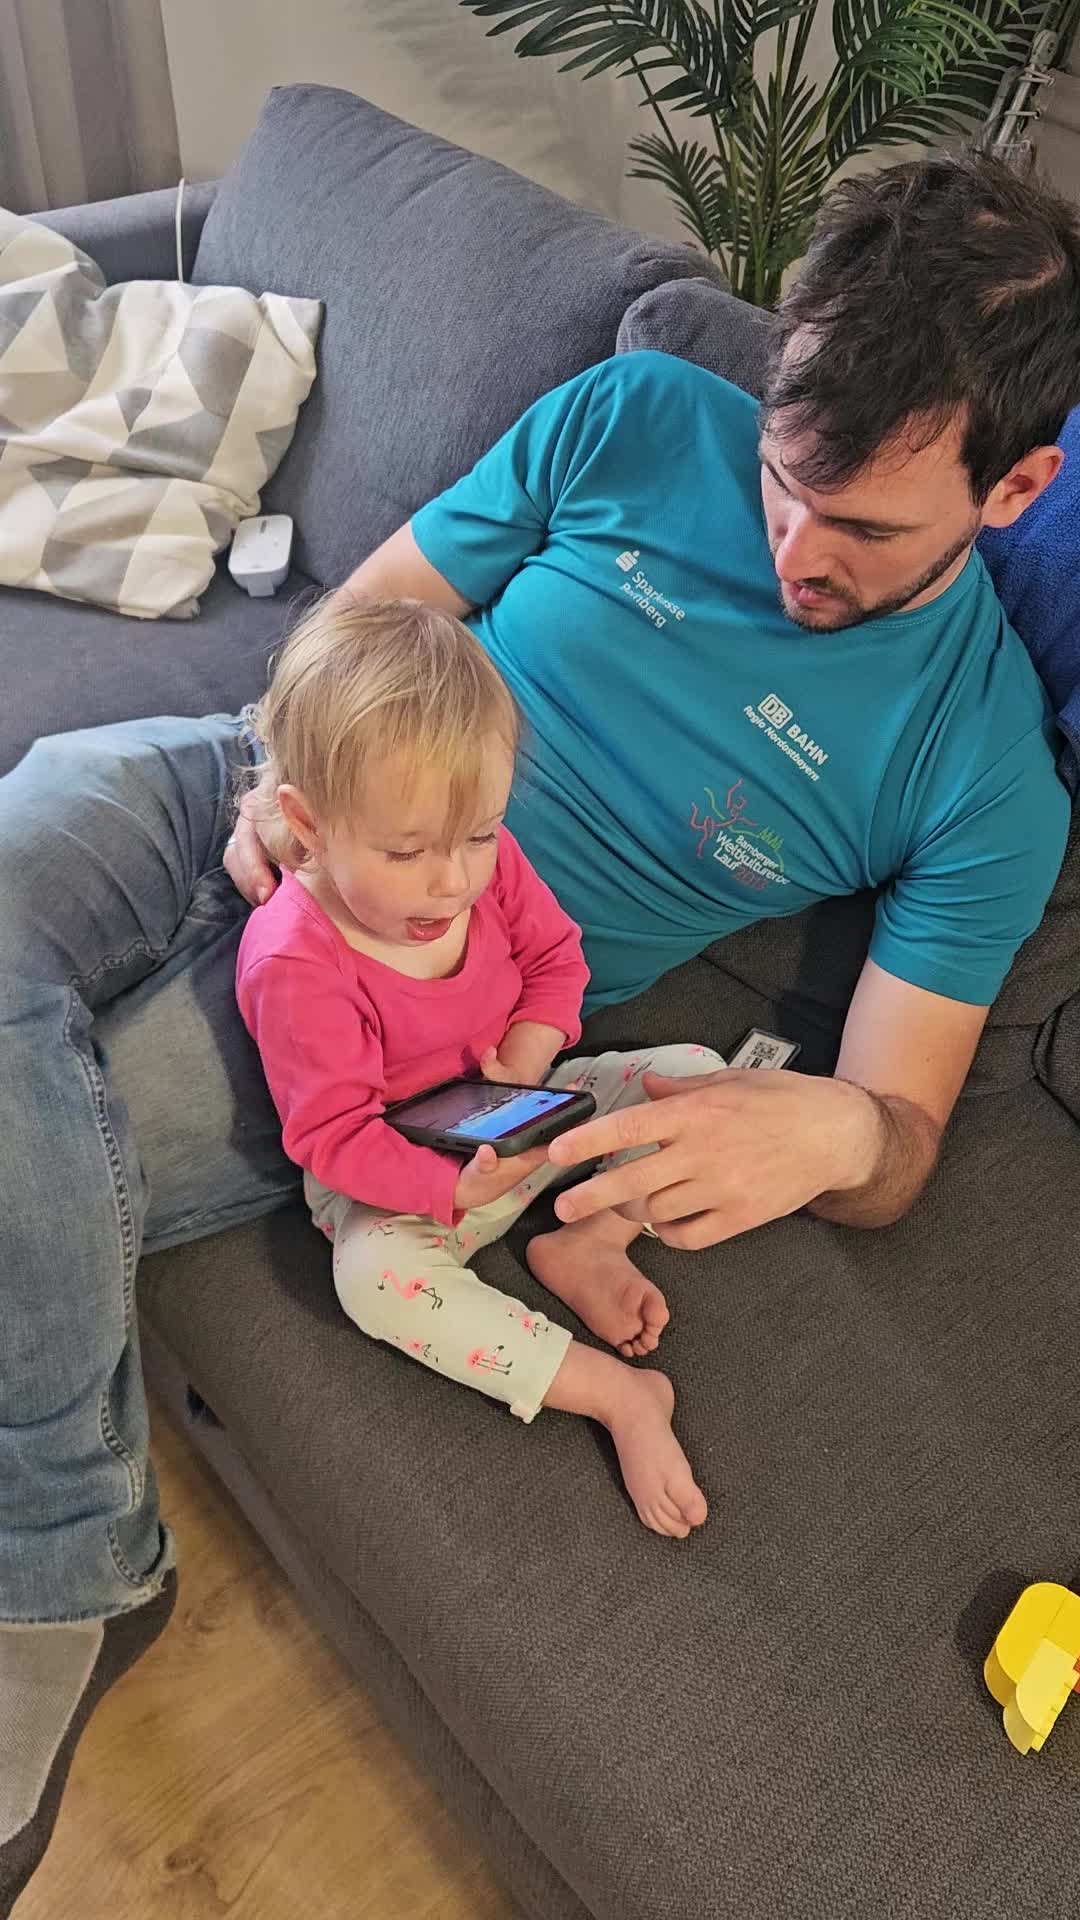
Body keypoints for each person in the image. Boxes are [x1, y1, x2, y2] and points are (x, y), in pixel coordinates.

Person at [1, 149, 1077, 1912]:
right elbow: (373, 616)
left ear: (1017, 487)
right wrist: (278, 769)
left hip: (408, 1018)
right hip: (261, 791)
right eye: (782, 479)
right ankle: (77, 1554)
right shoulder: (638, 415)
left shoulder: (980, 773)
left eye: (864, 528)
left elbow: (896, 1150)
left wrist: (844, 1128)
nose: (793, 548)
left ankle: (50, 1586)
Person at [235, 593, 717, 1537]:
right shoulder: (295, 959)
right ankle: (616, 1393)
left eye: (479, 834)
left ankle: (592, 1239)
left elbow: (557, 960)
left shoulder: (478, 866)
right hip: (403, 1176)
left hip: (525, 1108)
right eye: (406, 851)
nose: (452, 880)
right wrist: (451, 1187)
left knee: (697, 1073)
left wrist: (533, 1054)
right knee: (374, 1281)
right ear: (310, 824)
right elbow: (334, 1138)